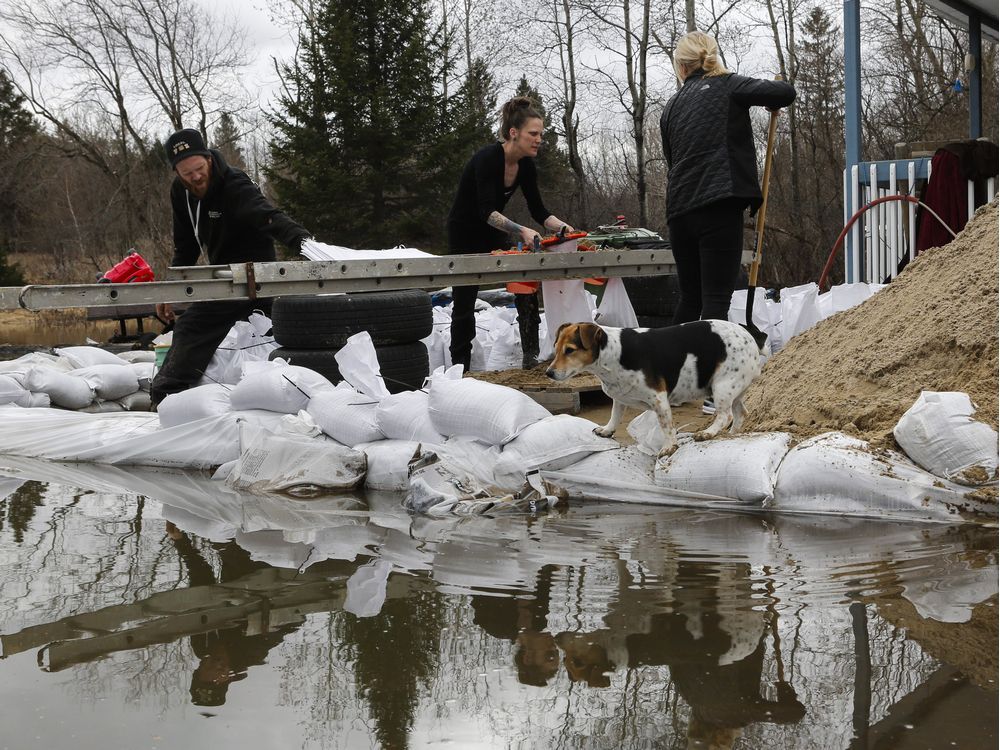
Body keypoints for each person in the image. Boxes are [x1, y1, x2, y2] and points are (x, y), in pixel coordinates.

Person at [150, 128, 312, 405]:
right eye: (187, 174)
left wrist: (307, 245)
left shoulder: (235, 184)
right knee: (249, 334)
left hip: (254, 274)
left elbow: (269, 218)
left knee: (191, 326)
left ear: (209, 159)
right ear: (177, 172)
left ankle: (167, 392)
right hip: (223, 276)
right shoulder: (180, 193)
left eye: (199, 169)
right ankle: (189, 398)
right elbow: (186, 246)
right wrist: (171, 290)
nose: (196, 177)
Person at [660, 31, 795, 325]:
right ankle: (709, 369)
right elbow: (785, 92)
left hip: (680, 211)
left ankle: (673, 367)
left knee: (690, 298)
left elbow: (672, 161)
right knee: (715, 301)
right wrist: (771, 100)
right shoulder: (729, 84)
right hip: (719, 205)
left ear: (681, 67)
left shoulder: (670, 107)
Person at [446, 97, 575, 371]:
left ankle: (531, 358)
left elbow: (540, 211)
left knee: (524, 280)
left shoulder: (526, 165)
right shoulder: (487, 158)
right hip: (465, 233)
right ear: (514, 133)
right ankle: (460, 369)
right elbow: (485, 211)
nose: (539, 139)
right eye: (533, 134)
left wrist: (564, 228)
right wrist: (521, 230)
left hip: (494, 231)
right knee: (464, 302)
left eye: (541, 134)